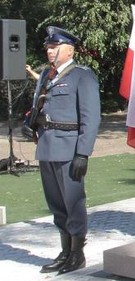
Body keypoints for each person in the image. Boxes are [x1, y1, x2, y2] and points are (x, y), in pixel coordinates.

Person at [29, 26, 101, 275]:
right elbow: (39, 107)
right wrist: (31, 125)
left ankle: (77, 254)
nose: (50, 51)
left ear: (69, 49)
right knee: (56, 204)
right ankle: (65, 251)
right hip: (47, 146)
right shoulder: (44, 77)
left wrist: (83, 153)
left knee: (73, 203)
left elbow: (91, 118)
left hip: (69, 149)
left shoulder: (82, 75)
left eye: (54, 47)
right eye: (48, 47)